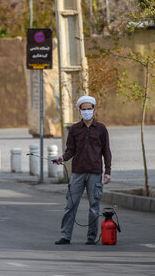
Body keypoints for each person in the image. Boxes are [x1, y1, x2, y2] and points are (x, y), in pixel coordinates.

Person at [54, 95, 112, 245]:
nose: (86, 111)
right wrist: (63, 158)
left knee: (94, 206)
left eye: (89, 109)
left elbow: (107, 151)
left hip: (95, 172)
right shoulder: (74, 129)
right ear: (79, 110)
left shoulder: (101, 129)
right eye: (83, 109)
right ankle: (65, 236)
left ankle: (91, 237)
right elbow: (70, 150)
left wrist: (108, 172)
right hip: (78, 172)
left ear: (94, 109)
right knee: (70, 205)